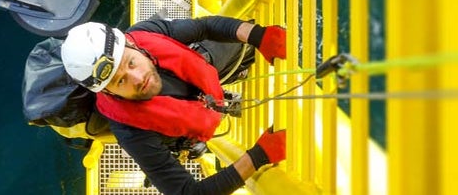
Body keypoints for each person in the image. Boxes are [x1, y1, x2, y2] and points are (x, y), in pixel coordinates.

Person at [61, 16, 288, 195]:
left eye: (131, 62)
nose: (138, 77)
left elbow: (204, 27)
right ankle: (197, 130)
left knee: (238, 36)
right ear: (108, 92)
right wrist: (258, 156)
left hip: (197, 81)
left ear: (132, 44)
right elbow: (187, 192)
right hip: (174, 124)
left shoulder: (145, 32)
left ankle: (237, 70)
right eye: (121, 80)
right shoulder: (132, 133)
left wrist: (258, 36)